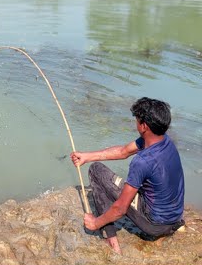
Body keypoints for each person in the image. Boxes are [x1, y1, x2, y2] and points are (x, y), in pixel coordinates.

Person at [70, 97, 185, 254]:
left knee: (96, 171)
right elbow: (124, 151)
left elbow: (120, 209)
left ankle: (110, 237)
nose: (135, 124)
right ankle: (171, 227)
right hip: (174, 217)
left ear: (144, 126)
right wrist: (87, 156)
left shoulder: (142, 161)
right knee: (98, 165)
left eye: (137, 120)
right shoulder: (165, 142)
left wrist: (95, 223)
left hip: (154, 225)